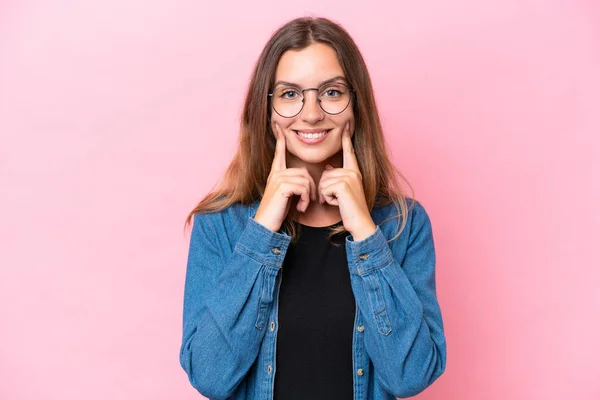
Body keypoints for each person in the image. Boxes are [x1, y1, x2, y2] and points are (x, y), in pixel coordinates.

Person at [179, 16, 447, 400]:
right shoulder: (221, 224)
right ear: (267, 111)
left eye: (331, 92)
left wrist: (367, 235)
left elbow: (411, 375)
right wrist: (263, 230)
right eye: (289, 94)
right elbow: (209, 375)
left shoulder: (403, 225)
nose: (311, 113)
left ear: (355, 104)